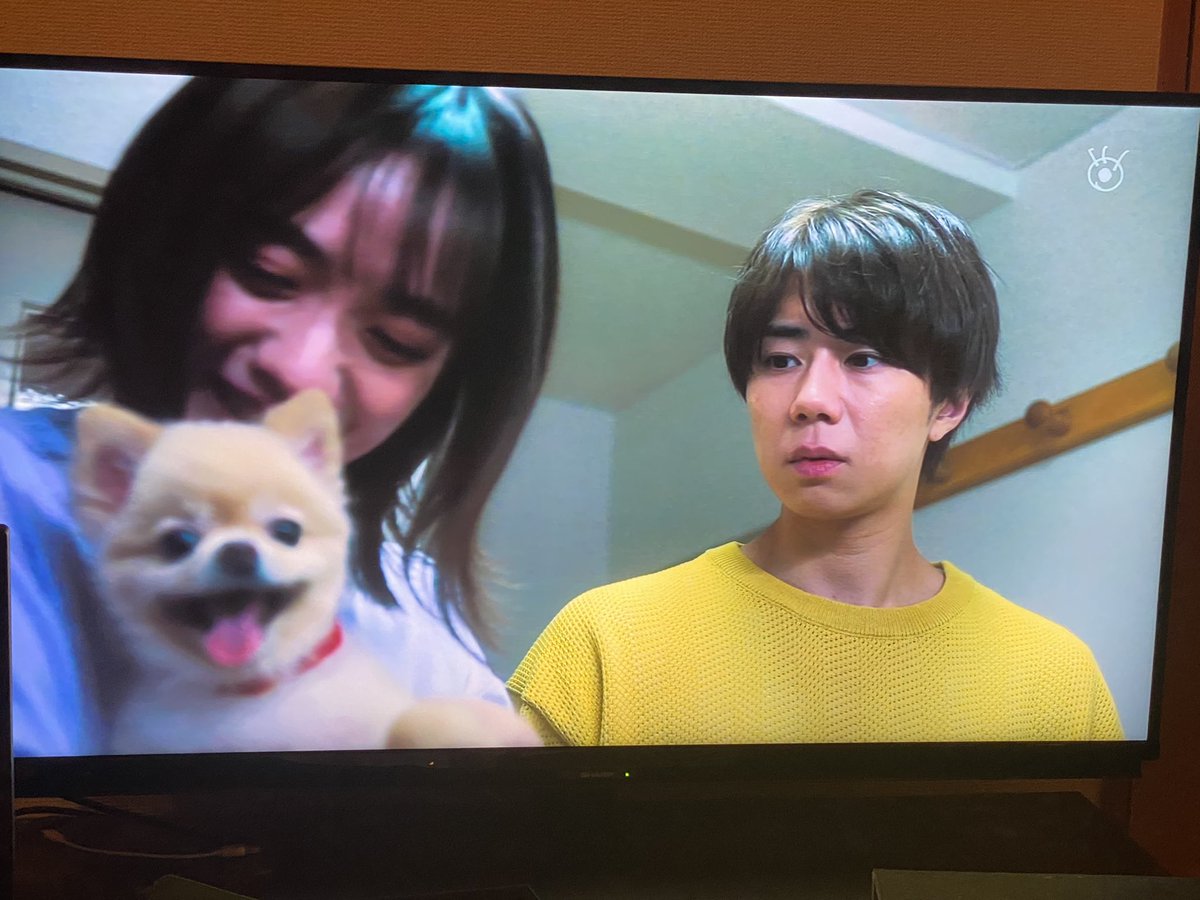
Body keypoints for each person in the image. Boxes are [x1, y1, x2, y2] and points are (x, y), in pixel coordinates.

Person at [6, 77, 558, 756]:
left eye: (395, 341)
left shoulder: (421, 619)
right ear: (166, 232)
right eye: (268, 273)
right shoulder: (17, 496)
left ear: (444, 388)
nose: (300, 371)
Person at [508, 189, 1123, 746]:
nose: (810, 400)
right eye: (780, 360)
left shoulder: (1056, 679)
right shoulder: (606, 643)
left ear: (949, 405)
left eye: (864, 358)